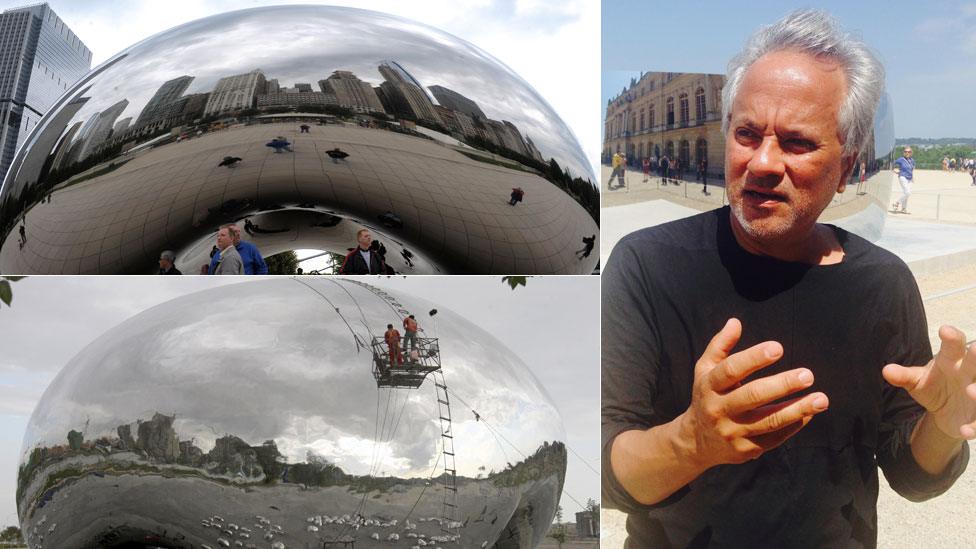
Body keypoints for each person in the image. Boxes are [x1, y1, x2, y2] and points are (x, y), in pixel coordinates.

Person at [602, 11, 971, 548]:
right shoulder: (647, 265)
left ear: (846, 166)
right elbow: (612, 474)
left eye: (797, 143)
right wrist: (693, 442)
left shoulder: (882, 284)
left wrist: (942, 427)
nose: (763, 163)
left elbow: (910, 474)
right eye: (747, 134)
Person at [892, 146, 915, 214]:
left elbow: (912, 169)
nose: (907, 153)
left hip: (910, 179)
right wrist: (894, 171)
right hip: (902, 177)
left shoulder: (912, 160)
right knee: (908, 192)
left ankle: (903, 208)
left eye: (909, 152)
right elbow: (892, 164)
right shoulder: (901, 159)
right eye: (905, 151)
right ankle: (896, 203)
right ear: (903, 153)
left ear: (911, 153)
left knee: (906, 193)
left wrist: (912, 177)